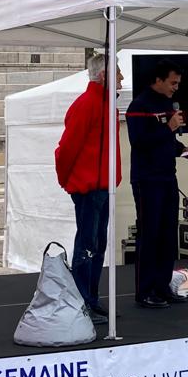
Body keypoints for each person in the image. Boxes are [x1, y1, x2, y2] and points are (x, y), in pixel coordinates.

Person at [54, 53, 122, 325]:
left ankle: (90, 299)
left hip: (100, 186)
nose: (121, 78)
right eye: (117, 73)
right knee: (88, 245)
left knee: (96, 245)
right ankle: (83, 300)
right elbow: (67, 147)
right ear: (104, 75)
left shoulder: (104, 105)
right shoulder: (87, 105)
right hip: (89, 187)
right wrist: (67, 180)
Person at [126, 58, 188, 309]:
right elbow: (139, 141)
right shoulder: (139, 105)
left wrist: (181, 149)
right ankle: (144, 291)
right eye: (173, 82)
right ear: (159, 80)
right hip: (147, 179)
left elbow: (164, 141)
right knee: (149, 233)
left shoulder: (167, 104)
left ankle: (163, 286)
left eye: (178, 83)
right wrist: (168, 128)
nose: (176, 87)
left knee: (167, 234)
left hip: (167, 176)